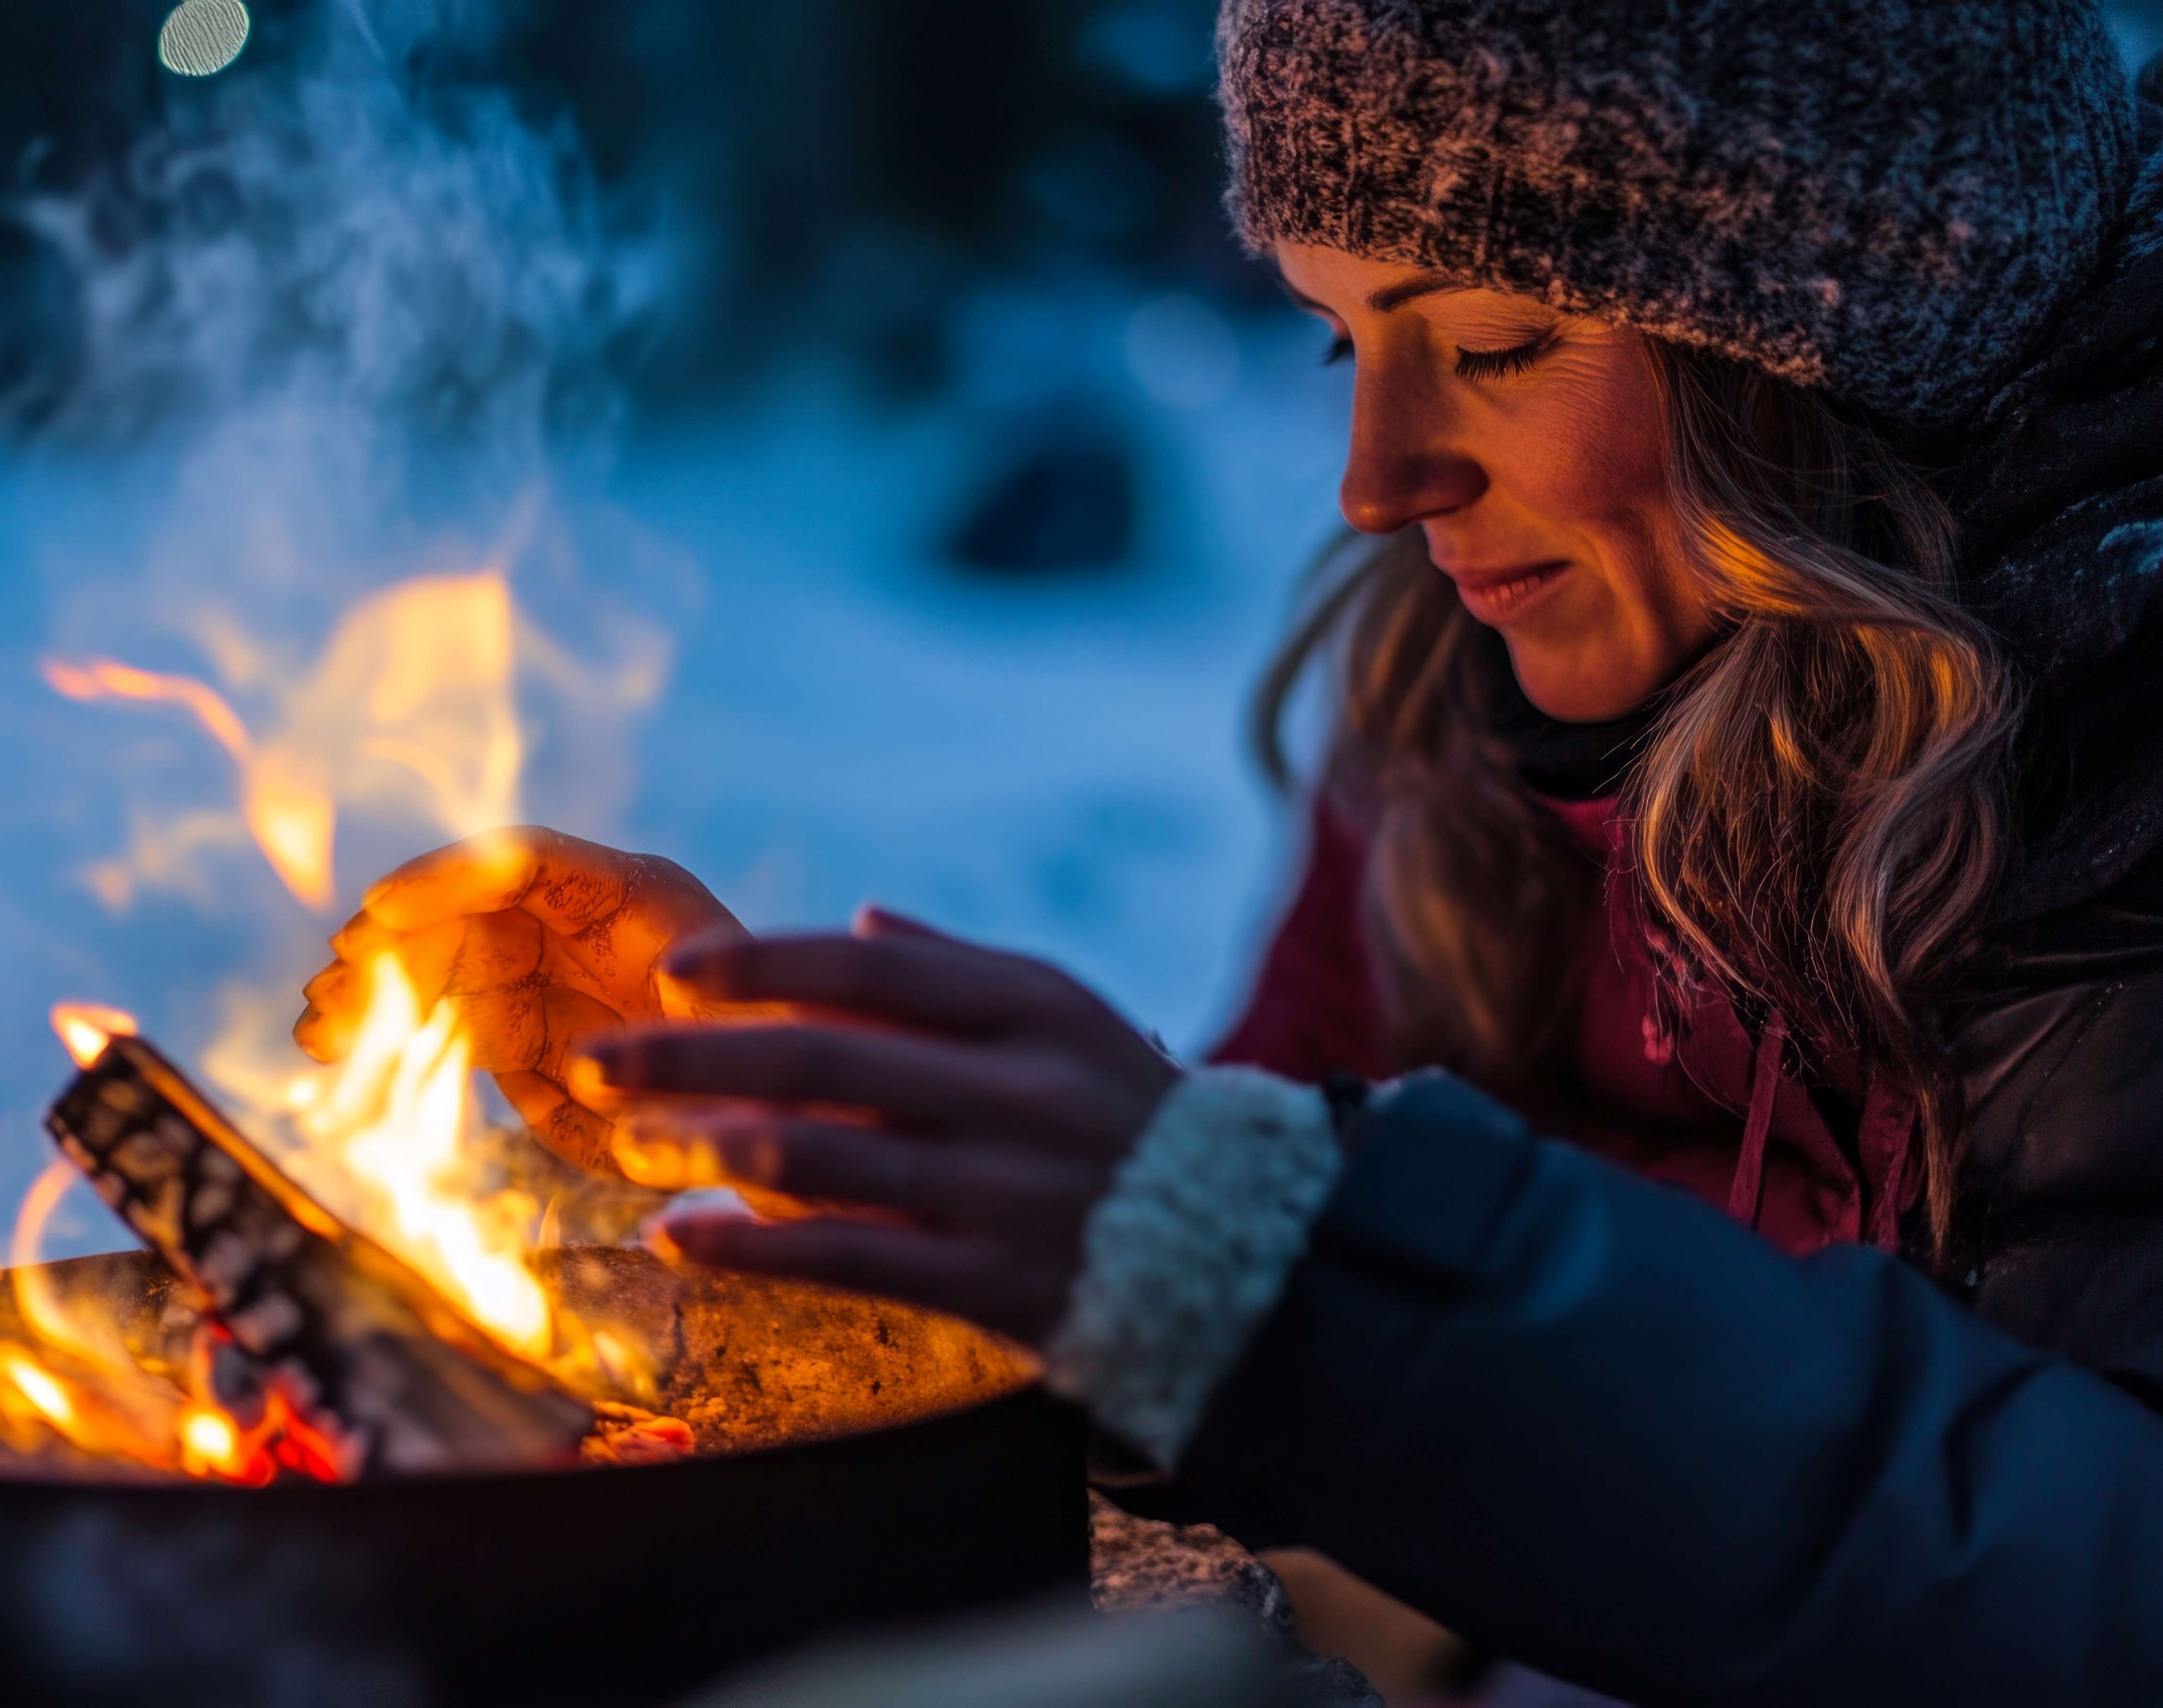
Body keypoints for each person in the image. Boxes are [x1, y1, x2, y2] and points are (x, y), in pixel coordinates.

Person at [297, 2, 2163, 1700]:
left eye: (1497, 342)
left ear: (1861, 319)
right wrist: (873, 1160)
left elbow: (2085, 1578)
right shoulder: (1456, 701)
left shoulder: (2116, 769)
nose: (1376, 478)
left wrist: (1291, 1270)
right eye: (1338, 335)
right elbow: (1272, 1276)